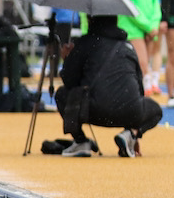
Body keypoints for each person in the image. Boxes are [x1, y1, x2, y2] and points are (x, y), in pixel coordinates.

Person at [56, 14, 163, 157]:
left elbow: (70, 82)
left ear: (90, 20)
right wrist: (136, 126)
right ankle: (130, 134)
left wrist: (67, 59)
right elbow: (139, 87)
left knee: (62, 94)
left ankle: (80, 141)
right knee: (155, 109)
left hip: (94, 111)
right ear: (116, 20)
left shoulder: (84, 43)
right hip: (130, 112)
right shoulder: (128, 46)